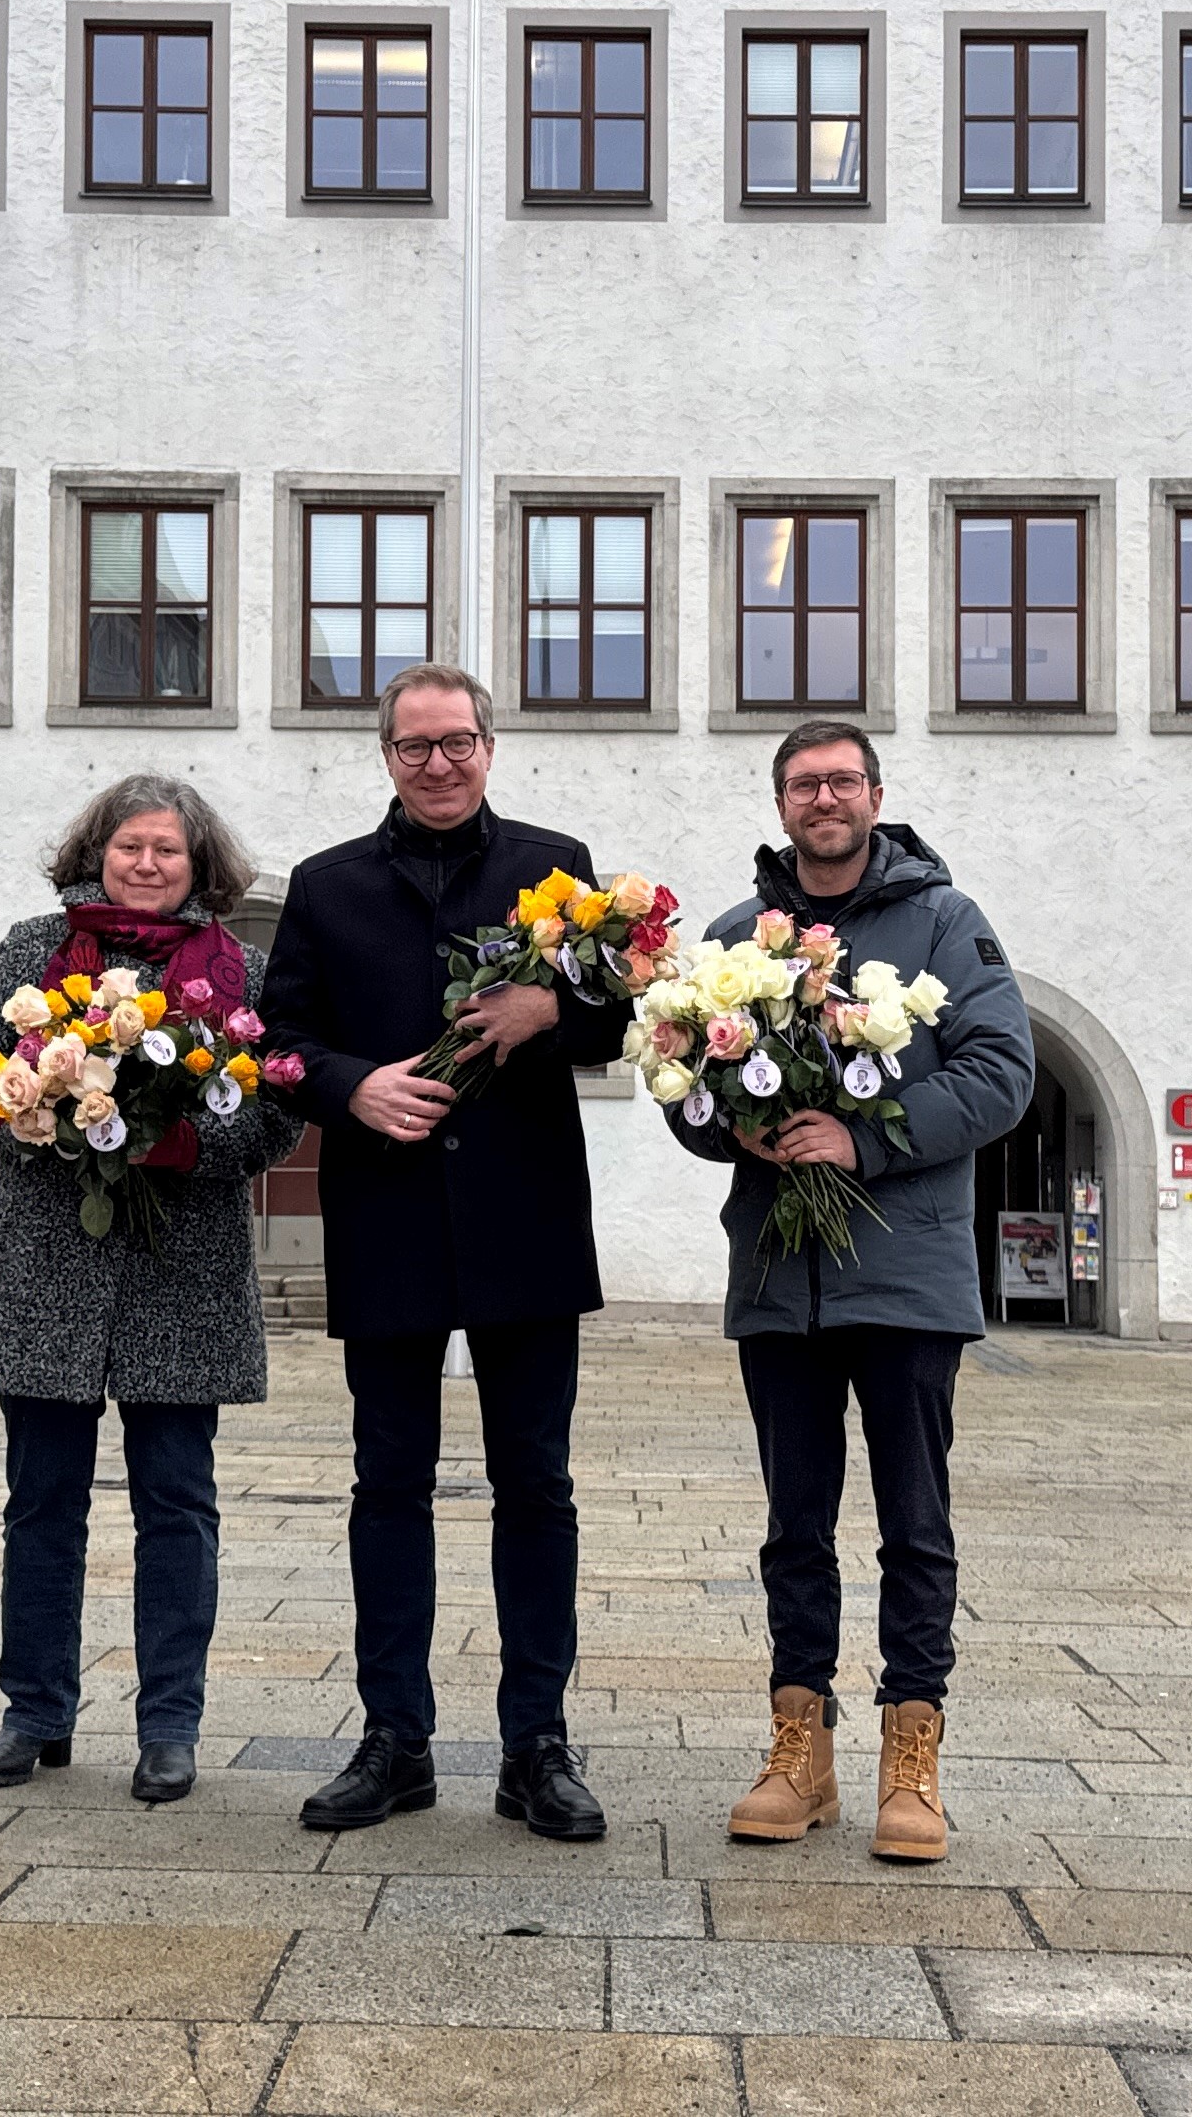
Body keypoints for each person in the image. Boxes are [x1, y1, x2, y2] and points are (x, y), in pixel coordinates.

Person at [262, 664, 634, 1842]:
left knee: (537, 1485)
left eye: (458, 742)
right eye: (415, 746)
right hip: (387, 1213)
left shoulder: (555, 869)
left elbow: (625, 1011)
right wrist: (351, 1087)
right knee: (389, 1484)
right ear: (386, 756)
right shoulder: (327, 887)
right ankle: (396, 1741)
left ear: (490, 746)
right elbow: (281, 1038)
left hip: (524, 1216)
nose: (439, 763)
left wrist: (551, 1016)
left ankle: (538, 1747)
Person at [671, 722, 1033, 1866]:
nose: (822, 798)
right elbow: (689, 1093)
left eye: (841, 780)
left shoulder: (945, 921)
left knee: (916, 1527)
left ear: (875, 794)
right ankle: (801, 1749)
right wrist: (728, 1120)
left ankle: (911, 1756)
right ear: (781, 803)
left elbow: (1000, 1072)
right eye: (802, 783)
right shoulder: (740, 940)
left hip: (909, 1276)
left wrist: (860, 1143)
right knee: (794, 1528)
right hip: (783, 1276)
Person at [0, 776, 305, 1804]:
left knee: (177, 1507)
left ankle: (170, 1726)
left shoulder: (243, 971)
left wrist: (183, 1134)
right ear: (96, 852)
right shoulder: (33, 951)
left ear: (199, 866)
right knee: (41, 1504)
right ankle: (34, 1714)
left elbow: (276, 1111)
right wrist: (34, 1106)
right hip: (44, 1266)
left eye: (167, 851)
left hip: (180, 1276)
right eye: (130, 847)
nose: (147, 865)